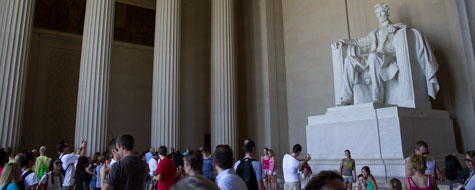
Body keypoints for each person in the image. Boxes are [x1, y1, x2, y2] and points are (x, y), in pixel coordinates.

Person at [332, 3, 439, 106]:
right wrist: (343, 41)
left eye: (381, 13)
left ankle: (377, 96)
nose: (379, 15)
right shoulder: (374, 33)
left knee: (373, 57)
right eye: (377, 14)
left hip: (389, 57)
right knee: (349, 60)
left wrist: (396, 30)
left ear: (387, 13)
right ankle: (347, 97)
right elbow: (358, 42)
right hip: (373, 57)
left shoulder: (397, 27)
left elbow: (411, 31)